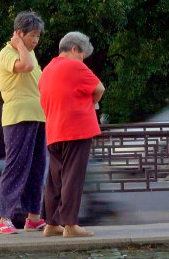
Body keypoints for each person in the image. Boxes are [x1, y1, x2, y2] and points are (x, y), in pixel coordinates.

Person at [38, 31, 105, 238]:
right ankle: (71, 225)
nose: (83, 60)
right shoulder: (75, 65)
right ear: (74, 49)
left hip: (54, 130)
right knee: (73, 178)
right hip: (77, 128)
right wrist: (89, 104)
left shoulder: (47, 70)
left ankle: (51, 224)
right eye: (82, 55)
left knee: (55, 178)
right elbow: (99, 88)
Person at [0, 11, 48, 234]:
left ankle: (33, 217)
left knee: (37, 168)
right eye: (32, 36)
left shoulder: (30, 54)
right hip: (18, 117)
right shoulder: (7, 53)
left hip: (38, 116)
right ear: (19, 33)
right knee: (16, 167)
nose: (35, 41)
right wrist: (18, 45)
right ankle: (4, 218)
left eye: (38, 36)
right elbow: (25, 67)